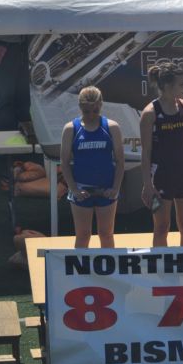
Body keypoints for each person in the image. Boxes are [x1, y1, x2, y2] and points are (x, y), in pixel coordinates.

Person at [140, 62, 183, 247]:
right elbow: (145, 153)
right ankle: (162, 271)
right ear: (168, 86)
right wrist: (147, 184)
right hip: (161, 176)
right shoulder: (150, 113)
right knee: (162, 227)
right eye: (181, 84)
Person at [59, 87, 124, 248]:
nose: (91, 115)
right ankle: (81, 272)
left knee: (106, 234)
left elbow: (120, 162)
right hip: (82, 190)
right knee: (82, 235)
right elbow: (65, 163)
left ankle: (110, 272)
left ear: (101, 105)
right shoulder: (71, 129)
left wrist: (115, 188)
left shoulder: (111, 127)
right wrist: (73, 189)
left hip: (106, 189)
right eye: (87, 111)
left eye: (95, 111)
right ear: (80, 107)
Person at [0, 35, 31, 131]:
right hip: (4, 46)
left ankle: (26, 136)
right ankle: (5, 137)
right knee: (5, 97)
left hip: (22, 46)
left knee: (24, 97)